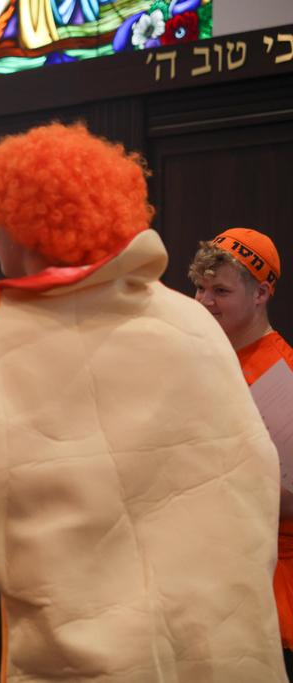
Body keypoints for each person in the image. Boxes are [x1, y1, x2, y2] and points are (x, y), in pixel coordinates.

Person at [0, 122, 285, 680]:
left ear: (20, 232)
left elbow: (7, 510)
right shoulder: (190, 320)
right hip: (216, 632)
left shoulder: (2, 349)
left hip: (97, 654)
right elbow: (247, 474)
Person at [188, 227, 293, 675]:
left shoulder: (282, 374)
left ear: (261, 293)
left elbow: (288, 499)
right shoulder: (202, 361)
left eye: (221, 291)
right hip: (209, 589)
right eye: (200, 288)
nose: (204, 302)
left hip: (270, 596)